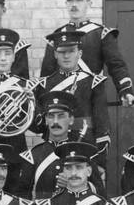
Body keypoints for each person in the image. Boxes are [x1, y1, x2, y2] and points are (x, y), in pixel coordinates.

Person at [38, 0, 134, 107]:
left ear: (89, 3)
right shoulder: (56, 37)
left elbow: (116, 66)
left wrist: (125, 91)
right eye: (70, 0)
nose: (74, 4)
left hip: (91, 97)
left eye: (79, 0)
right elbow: (47, 74)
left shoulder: (102, 34)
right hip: (62, 101)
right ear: (66, 3)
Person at [34, 28, 111, 158]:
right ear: (55, 54)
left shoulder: (93, 82)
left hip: (84, 144)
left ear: (79, 53)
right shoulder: (44, 84)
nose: (66, 56)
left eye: (71, 51)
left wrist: (100, 161)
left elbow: (102, 125)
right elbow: (39, 127)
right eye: (62, 52)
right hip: (53, 146)